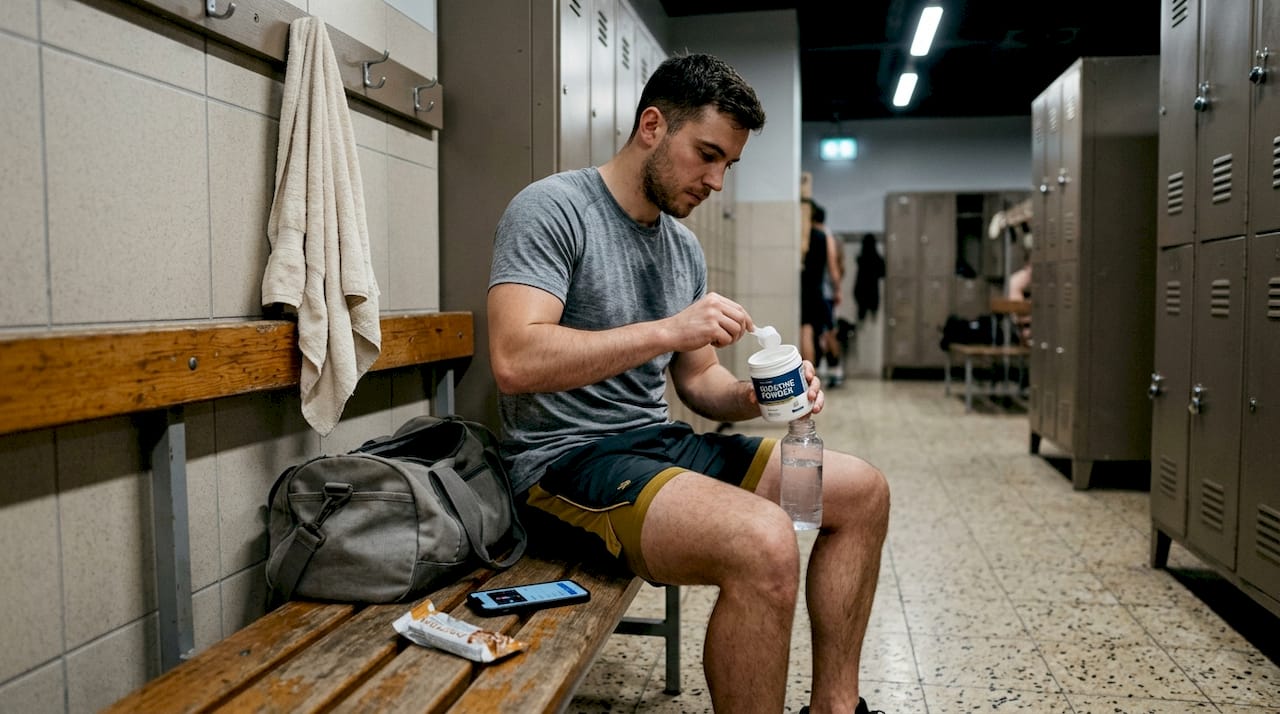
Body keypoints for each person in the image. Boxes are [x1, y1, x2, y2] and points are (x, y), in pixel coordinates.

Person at [487, 53, 889, 714]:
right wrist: (668, 329)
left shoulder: (681, 247)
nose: (717, 181)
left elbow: (700, 380)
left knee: (862, 492)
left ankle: (835, 708)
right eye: (707, 155)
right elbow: (515, 358)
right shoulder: (551, 209)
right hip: (564, 465)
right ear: (652, 126)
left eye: (729, 164)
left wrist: (753, 398)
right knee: (764, 541)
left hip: (660, 445)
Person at [801, 203, 840, 372]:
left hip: (803, 288)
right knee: (825, 329)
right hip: (817, 290)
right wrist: (837, 288)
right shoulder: (824, 236)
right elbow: (832, 266)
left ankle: (807, 374)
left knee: (805, 329)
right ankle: (823, 371)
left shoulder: (802, 235)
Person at [852, 233, 885, 324]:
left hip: (861, 291)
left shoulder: (861, 258)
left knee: (861, 318)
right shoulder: (878, 259)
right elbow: (882, 274)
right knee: (873, 320)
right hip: (873, 292)